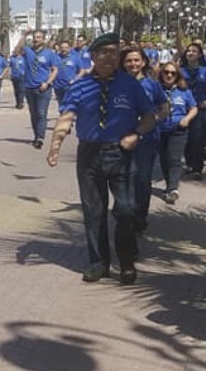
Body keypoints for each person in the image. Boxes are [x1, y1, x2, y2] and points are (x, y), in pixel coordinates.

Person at [46, 33, 156, 284]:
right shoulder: (80, 86)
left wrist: (137, 135)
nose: (109, 57)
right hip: (90, 154)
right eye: (104, 52)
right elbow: (66, 118)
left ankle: (126, 261)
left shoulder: (130, 84)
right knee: (94, 211)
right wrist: (55, 145)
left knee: (127, 210)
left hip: (121, 152)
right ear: (93, 56)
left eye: (114, 52)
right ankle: (99, 263)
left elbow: (149, 116)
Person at [122, 47, 170, 237]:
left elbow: (164, 107)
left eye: (136, 60)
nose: (133, 64)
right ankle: (126, 213)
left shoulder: (152, 85)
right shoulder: (117, 84)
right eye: (129, 61)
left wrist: (153, 120)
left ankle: (139, 218)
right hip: (123, 138)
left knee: (142, 180)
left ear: (143, 62)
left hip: (146, 140)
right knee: (124, 179)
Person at [156, 61, 197, 206]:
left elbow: (193, 108)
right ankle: (169, 184)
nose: (169, 75)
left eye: (172, 73)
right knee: (164, 159)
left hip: (178, 129)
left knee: (174, 159)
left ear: (177, 75)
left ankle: (173, 189)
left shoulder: (184, 91)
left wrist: (187, 119)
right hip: (160, 130)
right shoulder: (156, 89)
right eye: (166, 72)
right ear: (161, 74)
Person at [14, 29, 59, 148]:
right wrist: (24, 35)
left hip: (43, 88)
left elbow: (55, 70)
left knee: (41, 113)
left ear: (43, 39)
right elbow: (17, 50)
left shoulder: (49, 53)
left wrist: (48, 82)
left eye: (39, 37)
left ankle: (40, 137)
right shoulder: (28, 51)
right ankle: (36, 135)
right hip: (29, 87)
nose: (35, 39)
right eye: (34, 37)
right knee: (33, 114)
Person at [180, 42, 206, 180]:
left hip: (201, 109)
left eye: (194, 51)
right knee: (186, 139)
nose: (190, 53)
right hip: (184, 109)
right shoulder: (180, 70)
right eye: (188, 51)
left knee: (198, 139)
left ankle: (197, 168)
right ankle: (190, 164)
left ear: (199, 55)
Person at [53, 41, 82, 106]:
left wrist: (75, 79)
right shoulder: (55, 57)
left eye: (66, 47)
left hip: (70, 86)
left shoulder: (75, 58)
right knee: (61, 106)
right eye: (62, 48)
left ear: (69, 48)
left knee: (69, 106)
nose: (64, 49)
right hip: (58, 86)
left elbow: (82, 70)